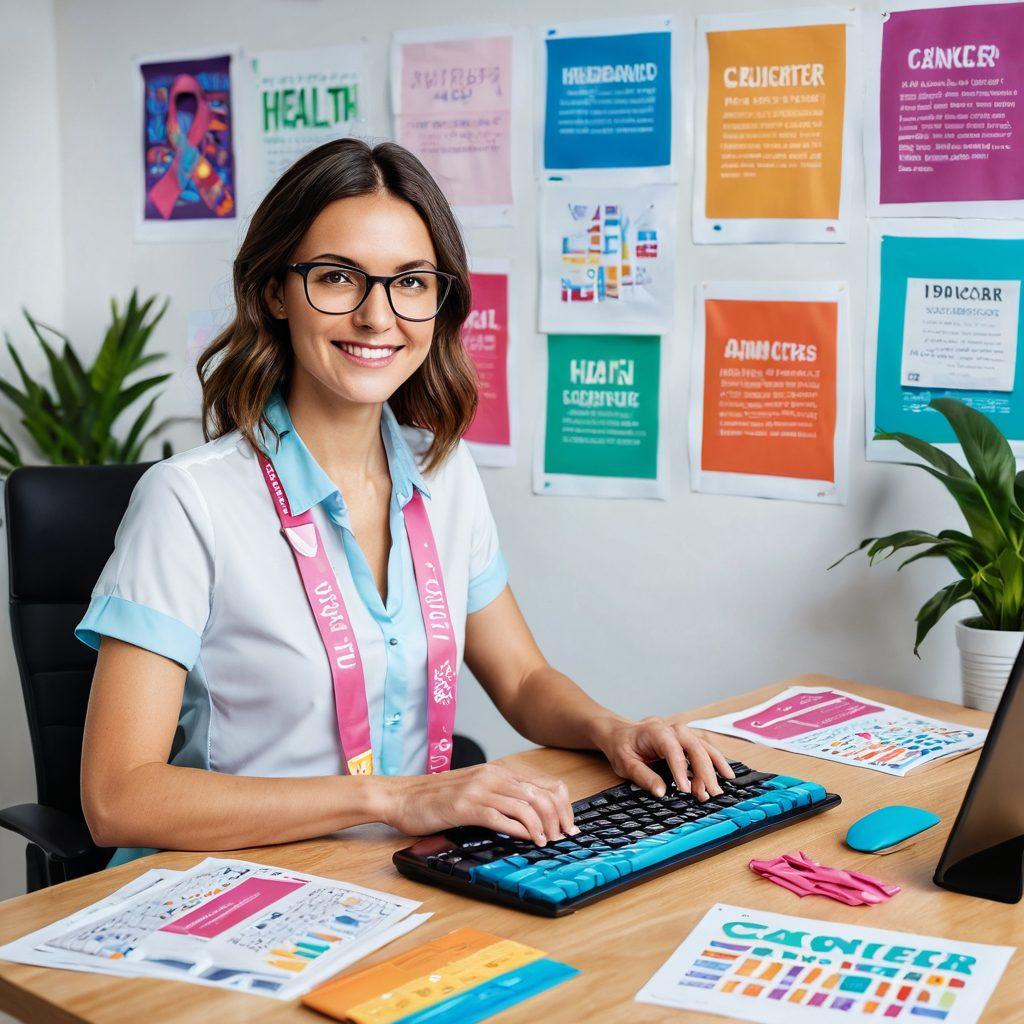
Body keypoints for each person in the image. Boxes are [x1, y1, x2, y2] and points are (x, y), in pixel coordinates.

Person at [76, 139, 733, 867]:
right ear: (273, 292)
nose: (377, 316)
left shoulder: (444, 474)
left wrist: (612, 731)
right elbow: (118, 798)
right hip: (223, 888)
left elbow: (521, 680)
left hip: (402, 873)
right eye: (336, 277)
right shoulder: (187, 501)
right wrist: (391, 797)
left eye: (410, 283)